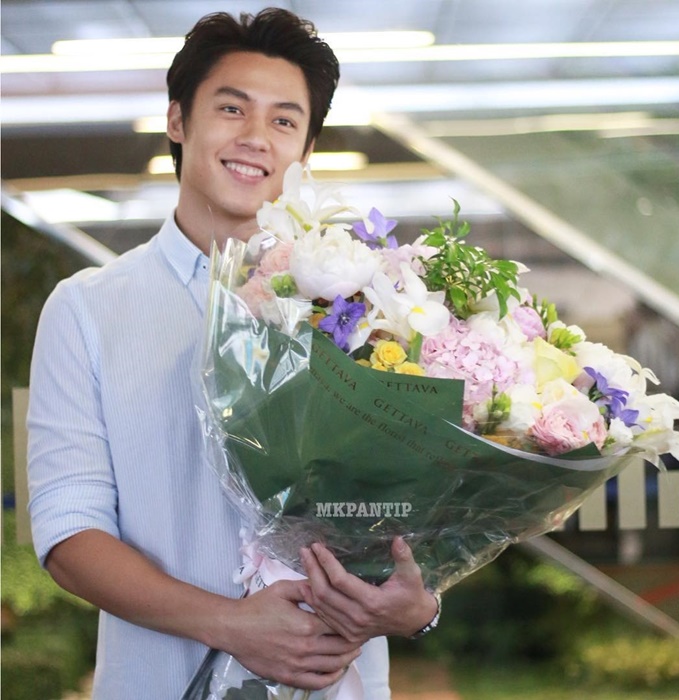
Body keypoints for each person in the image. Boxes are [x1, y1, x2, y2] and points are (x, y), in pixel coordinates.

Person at [27, 8, 439, 699]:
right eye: (231, 108)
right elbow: (70, 534)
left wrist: (421, 607)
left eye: (284, 120)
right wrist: (230, 624)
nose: (255, 137)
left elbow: (414, 522)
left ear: (305, 152)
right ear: (177, 119)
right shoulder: (88, 309)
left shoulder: (369, 309)